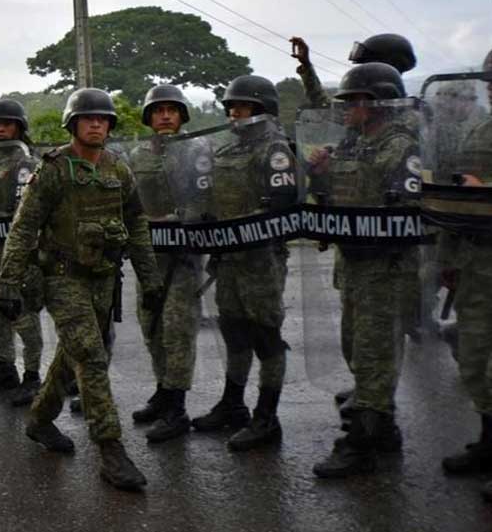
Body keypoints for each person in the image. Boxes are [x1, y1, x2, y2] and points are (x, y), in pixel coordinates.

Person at [0, 87, 164, 491]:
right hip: (61, 277)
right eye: (88, 118)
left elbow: (137, 223)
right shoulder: (53, 169)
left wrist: (150, 277)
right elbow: (24, 227)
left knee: (74, 354)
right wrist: (7, 280)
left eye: (103, 119)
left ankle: (38, 420)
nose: (96, 124)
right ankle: (110, 448)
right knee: (90, 353)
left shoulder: (117, 169)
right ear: (72, 124)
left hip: (104, 278)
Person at [305, 63, 420, 478]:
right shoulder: (351, 145)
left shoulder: (401, 146)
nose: (348, 108)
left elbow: (410, 211)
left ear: (379, 103)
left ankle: (361, 444)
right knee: (355, 346)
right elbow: (331, 198)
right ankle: (385, 427)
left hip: (385, 268)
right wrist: (318, 176)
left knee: (374, 353)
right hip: (352, 263)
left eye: (356, 101)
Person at [191, 75, 295, 452]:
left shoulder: (275, 149)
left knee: (266, 335)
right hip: (229, 259)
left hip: (261, 260)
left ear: (262, 109)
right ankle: (233, 403)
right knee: (233, 330)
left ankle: (267, 416)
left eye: (243, 106)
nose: (234, 112)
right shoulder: (226, 149)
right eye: (231, 106)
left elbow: (283, 205)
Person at [128, 85, 208, 443]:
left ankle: (177, 406)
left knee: (178, 329)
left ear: (182, 116)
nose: (164, 116)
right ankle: (163, 390)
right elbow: (129, 200)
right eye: (157, 111)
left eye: (171, 111)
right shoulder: (138, 154)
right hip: (149, 256)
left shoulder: (198, 151)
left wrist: (179, 217)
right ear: (149, 117)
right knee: (151, 325)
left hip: (184, 255)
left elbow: (208, 197)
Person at [438, 50, 492, 503]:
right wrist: (449, 259)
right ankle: (488, 442)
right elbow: (457, 202)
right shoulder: (479, 130)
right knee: (474, 359)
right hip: (477, 263)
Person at [0, 99, 45, 407]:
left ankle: (32, 376)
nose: (0, 128)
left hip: (21, 251)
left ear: (19, 126)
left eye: (7, 123)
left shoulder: (25, 162)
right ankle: (6, 366)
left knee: (23, 313)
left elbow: (24, 208)